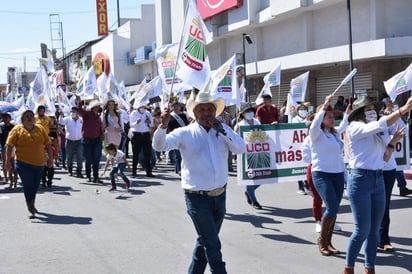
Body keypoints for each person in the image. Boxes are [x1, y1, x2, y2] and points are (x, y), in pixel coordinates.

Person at [152, 92, 245, 274]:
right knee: (212, 243)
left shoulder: (223, 129)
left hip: (220, 195)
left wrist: (223, 131)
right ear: (194, 113)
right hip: (197, 199)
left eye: (210, 109)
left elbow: (240, 148)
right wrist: (163, 126)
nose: (206, 113)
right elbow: (159, 146)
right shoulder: (185, 133)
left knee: (206, 241)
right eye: (201, 110)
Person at [343, 95, 412, 274]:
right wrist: (402, 109)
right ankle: (349, 268)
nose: (372, 111)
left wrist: (393, 143)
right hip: (360, 180)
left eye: (373, 108)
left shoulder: (378, 131)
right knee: (362, 230)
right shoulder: (355, 126)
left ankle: (369, 267)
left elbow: (385, 158)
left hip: (378, 179)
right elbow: (380, 124)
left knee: (375, 230)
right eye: (368, 109)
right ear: (359, 113)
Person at [309, 95, 350, 256]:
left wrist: (347, 113)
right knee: (332, 206)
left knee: (334, 209)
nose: (332, 119)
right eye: (328, 116)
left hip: (337, 174)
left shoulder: (334, 134)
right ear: (321, 118)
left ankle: (329, 241)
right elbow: (314, 124)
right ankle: (322, 240)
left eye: (333, 116)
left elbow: (344, 124)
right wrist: (325, 105)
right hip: (321, 174)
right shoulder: (315, 134)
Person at [5, 109, 53, 219]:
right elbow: (9, 145)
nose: (29, 118)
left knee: (35, 185)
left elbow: (48, 144)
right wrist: (7, 161)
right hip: (23, 163)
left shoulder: (40, 129)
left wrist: (50, 159)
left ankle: (32, 202)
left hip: (39, 163)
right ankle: (30, 207)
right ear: (22, 119)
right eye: (26, 116)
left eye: (31, 116)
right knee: (28, 185)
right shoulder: (17, 130)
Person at [234, 102, 263, 209]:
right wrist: (236, 131)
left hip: (258, 152)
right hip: (246, 155)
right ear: (243, 113)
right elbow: (235, 141)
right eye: (247, 111)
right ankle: (254, 201)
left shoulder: (257, 122)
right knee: (250, 177)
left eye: (251, 111)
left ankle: (248, 192)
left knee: (262, 177)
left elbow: (263, 134)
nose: (250, 113)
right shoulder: (240, 125)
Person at [76, 97, 104, 184]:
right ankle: (89, 175)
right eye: (96, 107)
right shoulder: (87, 114)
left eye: (98, 107)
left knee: (96, 159)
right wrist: (79, 102)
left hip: (97, 140)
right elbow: (80, 110)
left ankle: (96, 177)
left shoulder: (98, 117)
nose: (97, 108)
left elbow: (100, 127)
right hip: (87, 140)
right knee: (89, 159)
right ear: (92, 108)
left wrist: (102, 134)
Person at [129, 105, 154, 178]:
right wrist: (136, 122)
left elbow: (152, 124)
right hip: (137, 134)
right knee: (136, 154)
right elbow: (131, 125)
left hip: (146, 134)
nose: (142, 107)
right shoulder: (134, 113)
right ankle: (134, 171)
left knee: (147, 153)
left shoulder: (147, 113)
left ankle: (149, 172)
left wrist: (149, 122)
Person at [58, 107, 84, 178]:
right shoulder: (67, 119)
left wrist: (82, 134)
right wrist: (61, 115)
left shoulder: (81, 120)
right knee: (69, 157)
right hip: (69, 141)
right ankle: (70, 171)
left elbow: (84, 127)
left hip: (79, 141)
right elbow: (61, 123)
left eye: (74, 111)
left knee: (80, 157)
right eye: (71, 111)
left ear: (77, 113)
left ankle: (79, 172)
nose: (72, 113)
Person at [292, 103, 311, 195]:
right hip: (297, 146)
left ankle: (307, 185)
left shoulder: (309, 119)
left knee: (307, 166)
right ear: (298, 111)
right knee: (299, 167)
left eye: (305, 109)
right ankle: (300, 187)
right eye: (301, 109)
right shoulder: (295, 120)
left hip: (307, 146)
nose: (303, 111)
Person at [167, 101, 189, 175]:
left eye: (177, 106)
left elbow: (186, 125)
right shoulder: (170, 116)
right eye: (174, 107)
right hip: (175, 136)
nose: (176, 108)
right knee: (177, 154)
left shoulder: (183, 115)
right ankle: (179, 169)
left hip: (183, 135)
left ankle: (180, 168)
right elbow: (168, 126)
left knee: (183, 153)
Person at [0, 113, 15, 186]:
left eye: (7, 118)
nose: (5, 119)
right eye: (4, 118)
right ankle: (5, 177)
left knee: (12, 161)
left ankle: (13, 176)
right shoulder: (1, 127)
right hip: (3, 146)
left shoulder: (13, 127)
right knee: (4, 161)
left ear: (10, 119)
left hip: (12, 147)